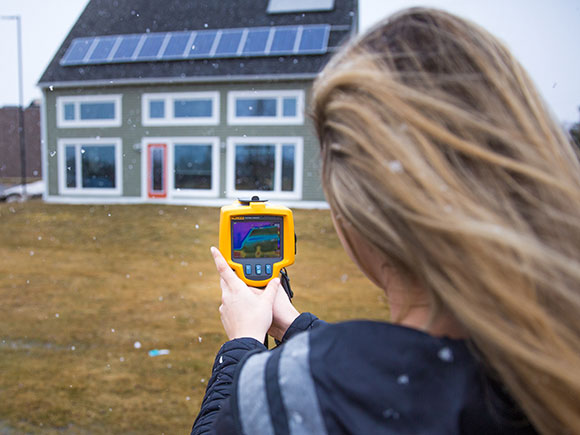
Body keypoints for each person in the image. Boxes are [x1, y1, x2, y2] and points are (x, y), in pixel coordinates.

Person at [191, 8, 580, 435]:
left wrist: (241, 347)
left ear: (359, 213)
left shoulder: (297, 394)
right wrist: (296, 326)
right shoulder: (553, 361)